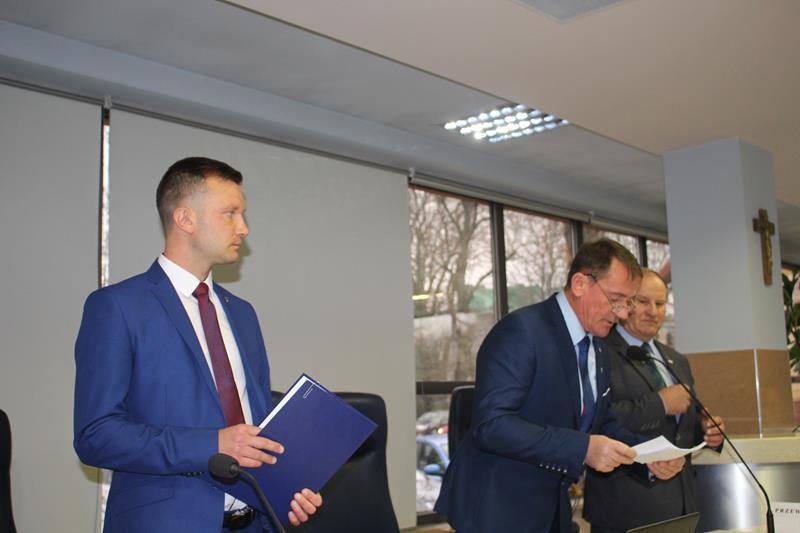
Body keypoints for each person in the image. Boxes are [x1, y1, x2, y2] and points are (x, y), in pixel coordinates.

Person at [74, 157, 322, 532]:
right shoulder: (117, 307)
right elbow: (96, 436)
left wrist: (288, 487)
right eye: (230, 213)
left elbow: (257, 426)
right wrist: (210, 445)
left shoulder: (243, 314)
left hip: (256, 522)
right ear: (185, 219)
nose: (244, 228)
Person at [434, 239, 685, 533]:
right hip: (497, 504)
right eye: (616, 299)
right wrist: (583, 448)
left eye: (627, 302)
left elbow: (601, 422)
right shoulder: (522, 331)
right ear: (580, 284)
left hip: (552, 504)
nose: (622, 314)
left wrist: (647, 455)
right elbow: (492, 425)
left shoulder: (598, 348)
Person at [583, 268, 724, 533]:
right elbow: (596, 420)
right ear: (626, 303)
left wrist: (706, 431)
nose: (653, 311)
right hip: (625, 508)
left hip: (681, 505)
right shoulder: (599, 352)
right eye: (643, 301)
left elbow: (681, 428)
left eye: (660, 303)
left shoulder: (676, 360)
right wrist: (659, 404)